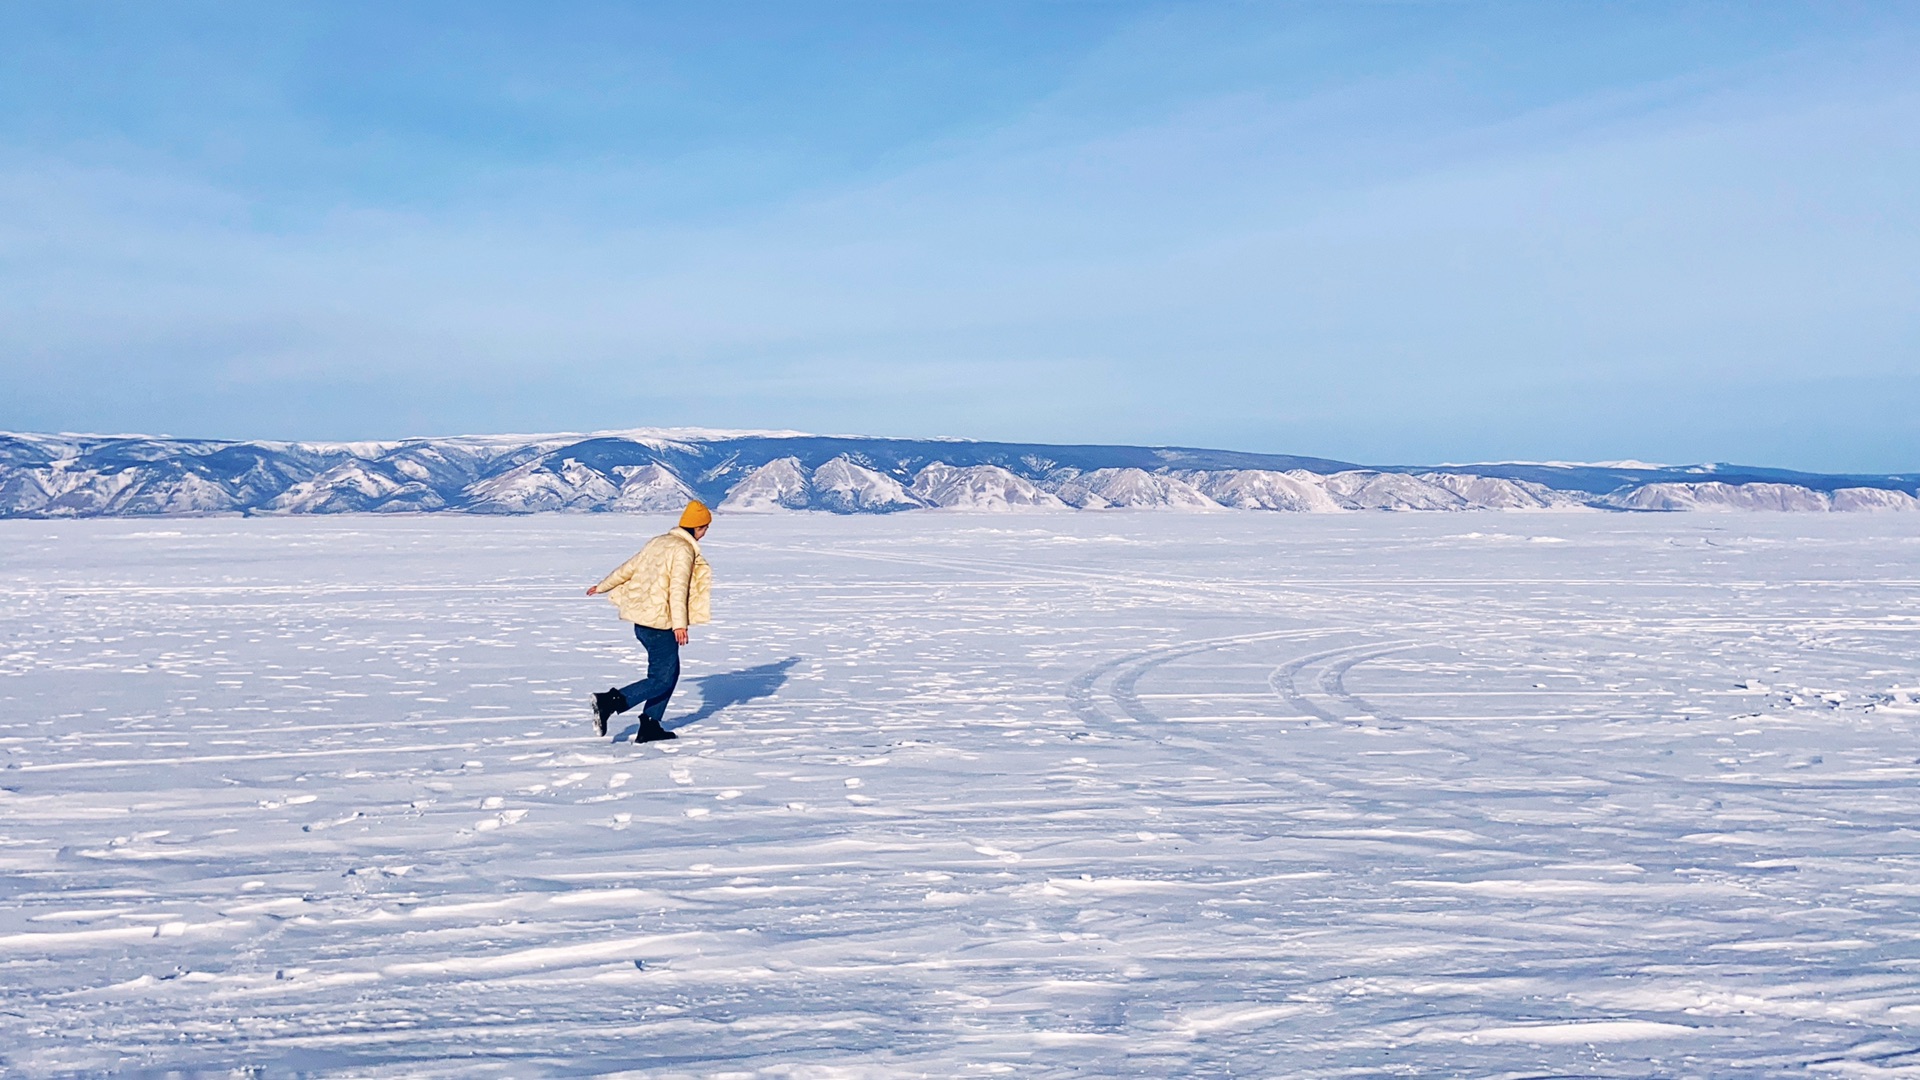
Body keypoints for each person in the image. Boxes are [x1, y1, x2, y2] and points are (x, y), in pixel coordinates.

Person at [586, 500, 713, 742]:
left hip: (643, 622)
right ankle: (609, 702)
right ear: (698, 527)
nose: (705, 533)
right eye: (705, 528)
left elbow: (628, 568)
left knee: (669, 673)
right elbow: (678, 589)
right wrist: (679, 624)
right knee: (662, 678)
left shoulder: (658, 542)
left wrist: (602, 586)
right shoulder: (683, 550)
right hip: (661, 624)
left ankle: (650, 725)